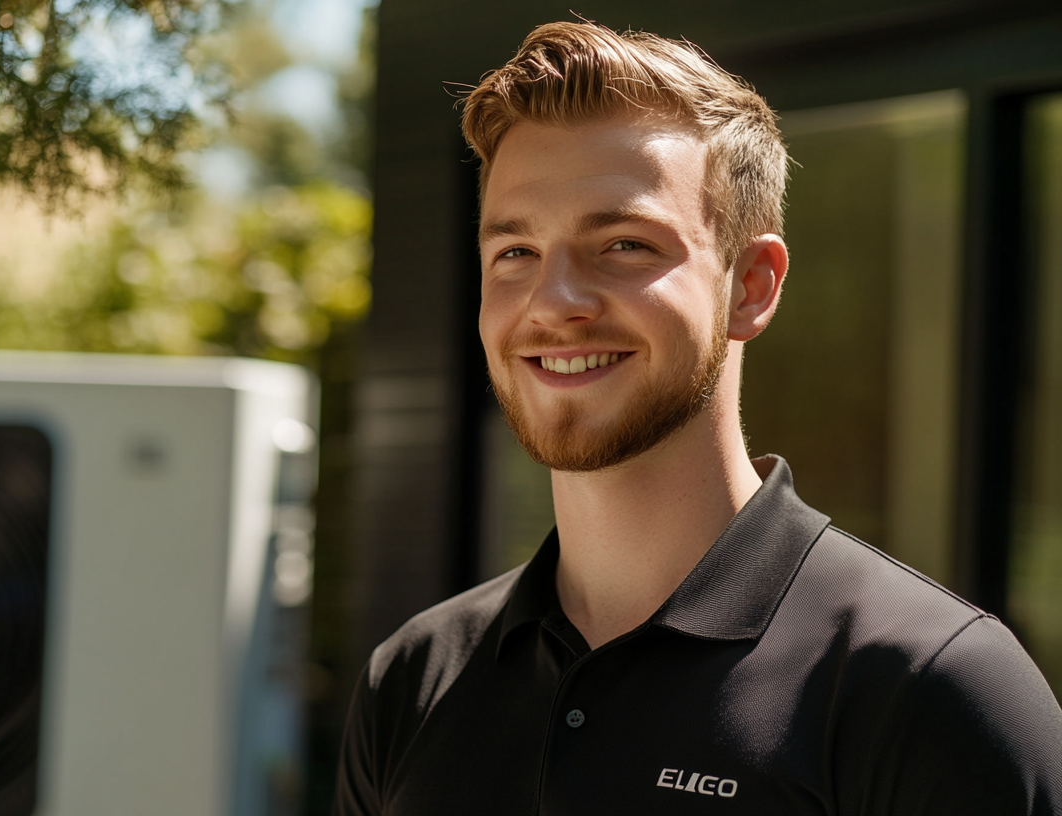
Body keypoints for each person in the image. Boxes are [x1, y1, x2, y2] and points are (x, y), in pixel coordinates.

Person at [333, 21, 1062, 815]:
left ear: (751, 285)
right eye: (516, 253)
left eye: (624, 245)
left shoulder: (932, 688)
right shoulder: (414, 678)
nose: (553, 303)